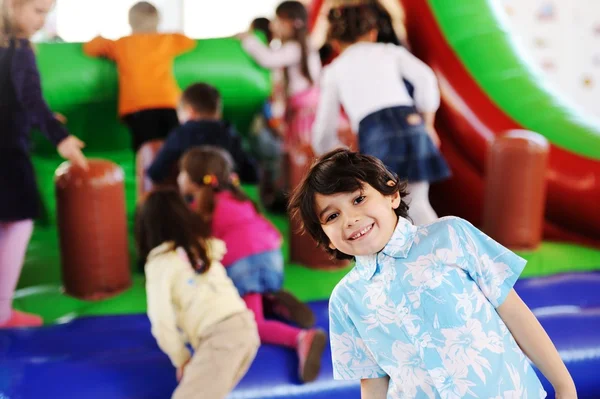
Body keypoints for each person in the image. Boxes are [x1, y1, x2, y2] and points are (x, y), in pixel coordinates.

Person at [288, 149, 577, 398]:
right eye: (332, 216)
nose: (350, 219)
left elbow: (514, 312)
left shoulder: (450, 235)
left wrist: (564, 386)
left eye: (358, 199)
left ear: (391, 193)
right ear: (325, 238)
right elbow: (372, 381)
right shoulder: (345, 300)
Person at [178, 146, 326, 383]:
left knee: (252, 323)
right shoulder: (239, 198)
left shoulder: (202, 211)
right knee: (246, 288)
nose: (179, 178)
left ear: (194, 179)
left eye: (182, 172)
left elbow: (197, 259)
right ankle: (272, 300)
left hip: (244, 264)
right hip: (271, 256)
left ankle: (301, 338)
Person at [311, 1, 451, 226]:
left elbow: (323, 130)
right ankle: (444, 250)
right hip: (410, 123)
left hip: (375, 132)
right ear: (373, 32)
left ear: (334, 42)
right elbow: (425, 78)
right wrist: (427, 124)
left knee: (388, 206)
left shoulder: (333, 70)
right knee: (418, 201)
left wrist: (338, 153)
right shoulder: (389, 51)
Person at [0, 0, 88, 329]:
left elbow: (13, 101)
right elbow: (30, 98)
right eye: (37, 10)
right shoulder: (19, 48)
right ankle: (3, 311)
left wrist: (45, 119)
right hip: (8, 153)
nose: (43, 19)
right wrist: (60, 136)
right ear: (11, 6)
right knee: (20, 222)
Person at [135, 189, 259, 399]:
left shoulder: (159, 262)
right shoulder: (201, 248)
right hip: (246, 328)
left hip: (221, 337)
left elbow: (161, 321)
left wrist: (181, 358)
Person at [83, 1, 196, 153]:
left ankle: (146, 175)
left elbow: (90, 47)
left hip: (137, 104)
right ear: (157, 21)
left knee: (145, 150)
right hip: (167, 102)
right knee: (174, 148)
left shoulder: (123, 44)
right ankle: (178, 175)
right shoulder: (166, 39)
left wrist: (98, 36)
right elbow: (188, 41)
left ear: (130, 22)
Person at [237, 0, 322, 149]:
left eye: (277, 20)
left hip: (304, 112)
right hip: (299, 110)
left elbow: (267, 59)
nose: (272, 25)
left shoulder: (296, 48)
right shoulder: (297, 47)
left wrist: (248, 39)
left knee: (300, 154)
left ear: (291, 22)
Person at [146, 82, 258, 185]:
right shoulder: (231, 135)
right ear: (218, 112)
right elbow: (251, 174)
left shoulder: (181, 134)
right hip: (223, 196)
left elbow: (156, 172)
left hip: (188, 199)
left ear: (190, 111)